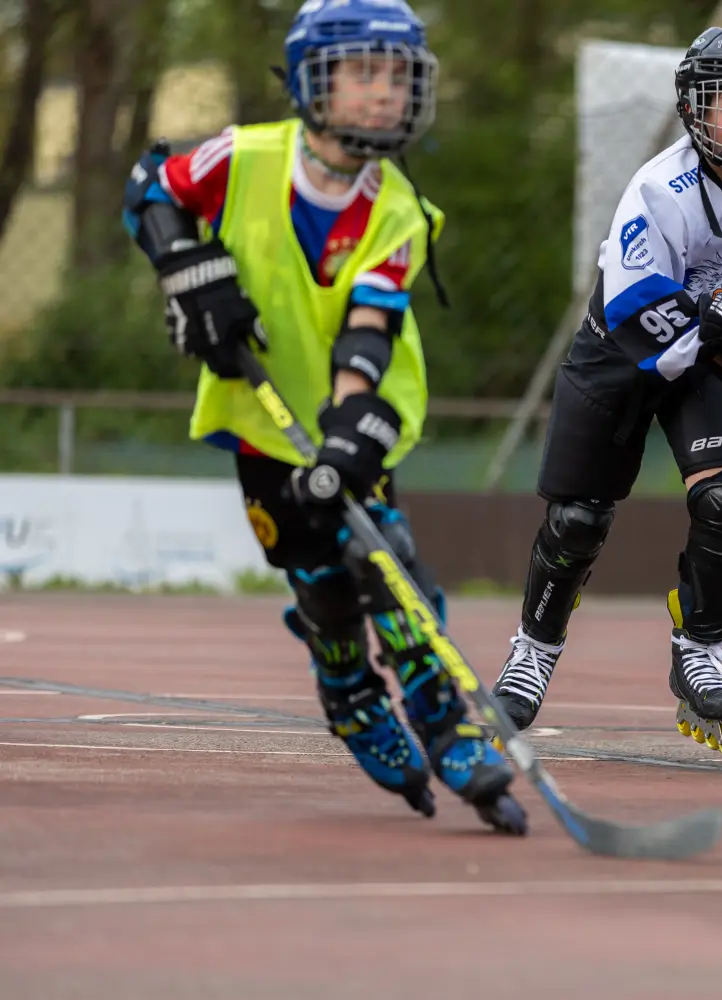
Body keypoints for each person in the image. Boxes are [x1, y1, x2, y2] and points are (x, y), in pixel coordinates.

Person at [120, 0, 525, 834]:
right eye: (363, 73)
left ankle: (447, 724)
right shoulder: (246, 157)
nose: (383, 94)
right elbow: (149, 192)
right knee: (320, 582)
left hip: (364, 407)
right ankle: (347, 693)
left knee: (384, 559)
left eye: (396, 76)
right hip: (260, 412)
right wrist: (190, 271)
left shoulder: (399, 209)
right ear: (315, 80)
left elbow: (370, 331)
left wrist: (345, 432)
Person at [488, 26, 722, 759]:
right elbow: (638, 307)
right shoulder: (661, 187)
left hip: (704, 365)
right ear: (696, 111)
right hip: (622, 351)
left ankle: (700, 647)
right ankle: (533, 648)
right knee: (577, 520)